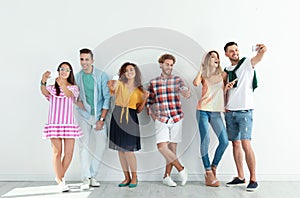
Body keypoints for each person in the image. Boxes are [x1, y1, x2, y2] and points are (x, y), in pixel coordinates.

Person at [223, 42, 267, 191]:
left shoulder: (247, 63)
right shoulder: (227, 70)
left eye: (236, 49)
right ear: (226, 54)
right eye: (231, 51)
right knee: (235, 144)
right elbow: (220, 88)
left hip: (245, 111)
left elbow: (258, 58)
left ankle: (253, 178)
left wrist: (262, 51)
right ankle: (241, 177)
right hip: (230, 111)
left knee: (245, 143)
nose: (235, 52)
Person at [193, 50, 236, 187]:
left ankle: (213, 167)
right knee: (205, 140)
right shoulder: (204, 76)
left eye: (217, 57)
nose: (216, 59)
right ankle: (208, 172)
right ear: (207, 60)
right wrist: (201, 68)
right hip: (203, 110)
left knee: (224, 141)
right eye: (212, 57)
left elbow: (221, 91)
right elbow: (195, 83)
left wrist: (226, 89)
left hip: (216, 112)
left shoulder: (223, 74)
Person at [147, 53, 190, 187]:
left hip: (176, 117)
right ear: (161, 64)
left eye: (171, 65)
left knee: (172, 150)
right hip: (161, 118)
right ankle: (181, 169)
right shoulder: (153, 82)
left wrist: (186, 93)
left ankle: (166, 176)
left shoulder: (177, 80)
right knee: (162, 147)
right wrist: (152, 114)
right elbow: (150, 101)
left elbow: (184, 90)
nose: (169, 67)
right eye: (167, 64)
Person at [40, 62, 83, 192]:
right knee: (57, 152)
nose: (64, 71)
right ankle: (60, 181)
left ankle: (60, 177)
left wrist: (63, 84)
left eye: (67, 70)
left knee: (69, 154)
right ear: (58, 71)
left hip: (68, 124)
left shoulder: (74, 88)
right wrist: (43, 80)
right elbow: (43, 91)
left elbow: (69, 95)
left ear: (70, 73)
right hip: (54, 124)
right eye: (62, 69)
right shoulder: (52, 88)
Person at [108, 62, 149, 188]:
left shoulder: (140, 90)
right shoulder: (120, 84)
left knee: (129, 151)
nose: (129, 72)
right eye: (126, 70)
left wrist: (145, 98)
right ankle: (126, 177)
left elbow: (138, 110)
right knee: (120, 150)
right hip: (118, 114)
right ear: (123, 74)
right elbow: (112, 89)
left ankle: (135, 177)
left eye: (131, 70)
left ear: (135, 72)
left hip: (131, 117)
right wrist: (111, 84)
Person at [74, 48, 111, 190]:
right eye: (82, 59)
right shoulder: (77, 77)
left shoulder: (102, 76)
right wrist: (77, 102)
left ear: (92, 60)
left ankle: (93, 175)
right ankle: (85, 177)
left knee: (101, 145)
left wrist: (101, 119)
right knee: (83, 146)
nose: (84, 62)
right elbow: (73, 95)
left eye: (87, 59)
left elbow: (107, 98)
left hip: (98, 117)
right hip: (83, 116)